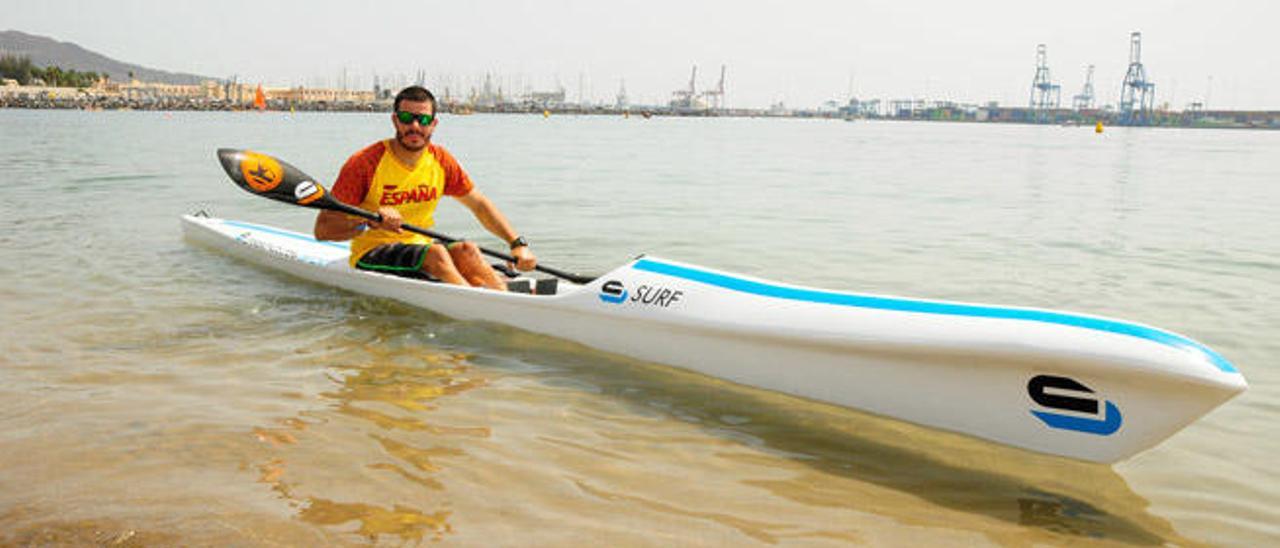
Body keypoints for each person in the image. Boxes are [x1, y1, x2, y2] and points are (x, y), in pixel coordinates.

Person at [314, 86, 535, 290]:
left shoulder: (441, 160)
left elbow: (479, 205)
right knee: (436, 254)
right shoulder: (365, 163)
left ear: (434, 124)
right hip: (371, 251)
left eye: (423, 119)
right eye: (406, 118)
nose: (415, 127)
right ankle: (480, 306)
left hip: (423, 247)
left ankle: (504, 298)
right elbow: (323, 230)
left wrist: (517, 244)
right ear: (395, 121)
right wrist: (369, 222)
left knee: (467, 249)